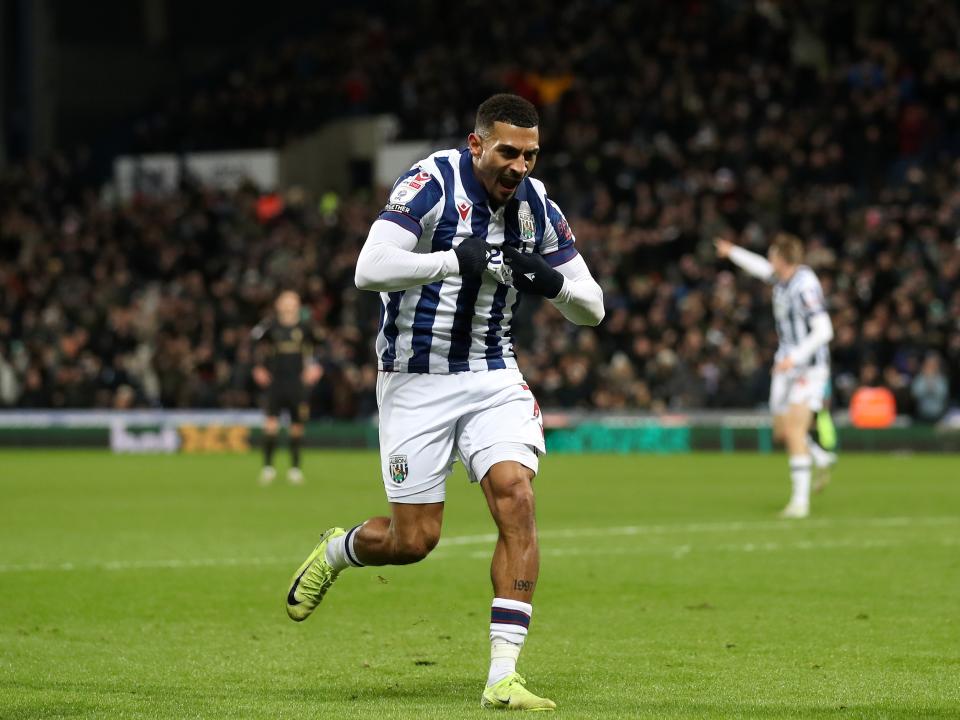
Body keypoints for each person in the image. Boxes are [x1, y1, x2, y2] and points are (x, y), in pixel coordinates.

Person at [284, 93, 604, 711]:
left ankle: (502, 677)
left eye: (531, 155)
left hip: (492, 374)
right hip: (414, 380)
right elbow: (369, 268)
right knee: (415, 541)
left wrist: (554, 283)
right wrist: (448, 260)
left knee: (516, 494)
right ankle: (336, 550)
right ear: (477, 143)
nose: (520, 167)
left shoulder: (537, 207)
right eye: (508, 151)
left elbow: (593, 308)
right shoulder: (433, 180)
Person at [716, 233, 836, 518]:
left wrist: (794, 358)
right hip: (786, 364)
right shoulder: (782, 278)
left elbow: (824, 330)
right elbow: (758, 267)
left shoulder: (805, 287)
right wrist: (733, 251)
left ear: (783, 259)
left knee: (795, 430)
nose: (769, 260)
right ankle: (820, 457)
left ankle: (799, 503)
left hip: (809, 367)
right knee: (781, 432)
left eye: (772, 255)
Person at [251, 290, 323, 484]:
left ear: (298, 305)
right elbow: (253, 344)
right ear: (278, 305)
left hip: (297, 383)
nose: (289, 305)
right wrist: (258, 368)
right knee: (271, 426)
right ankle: (268, 468)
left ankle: (295, 468)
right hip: (275, 382)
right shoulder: (270, 326)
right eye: (285, 301)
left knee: (297, 427)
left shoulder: (306, 327)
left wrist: (315, 366)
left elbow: (321, 346)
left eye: (293, 301)